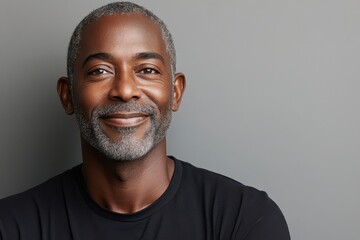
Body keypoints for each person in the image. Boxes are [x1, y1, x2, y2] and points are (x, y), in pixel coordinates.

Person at [0, 2, 290, 239]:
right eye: (100, 71)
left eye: (147, 70)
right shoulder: (12, 226)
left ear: (175, 92)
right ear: (68, 96)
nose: (125, 90)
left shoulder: (245, 220)